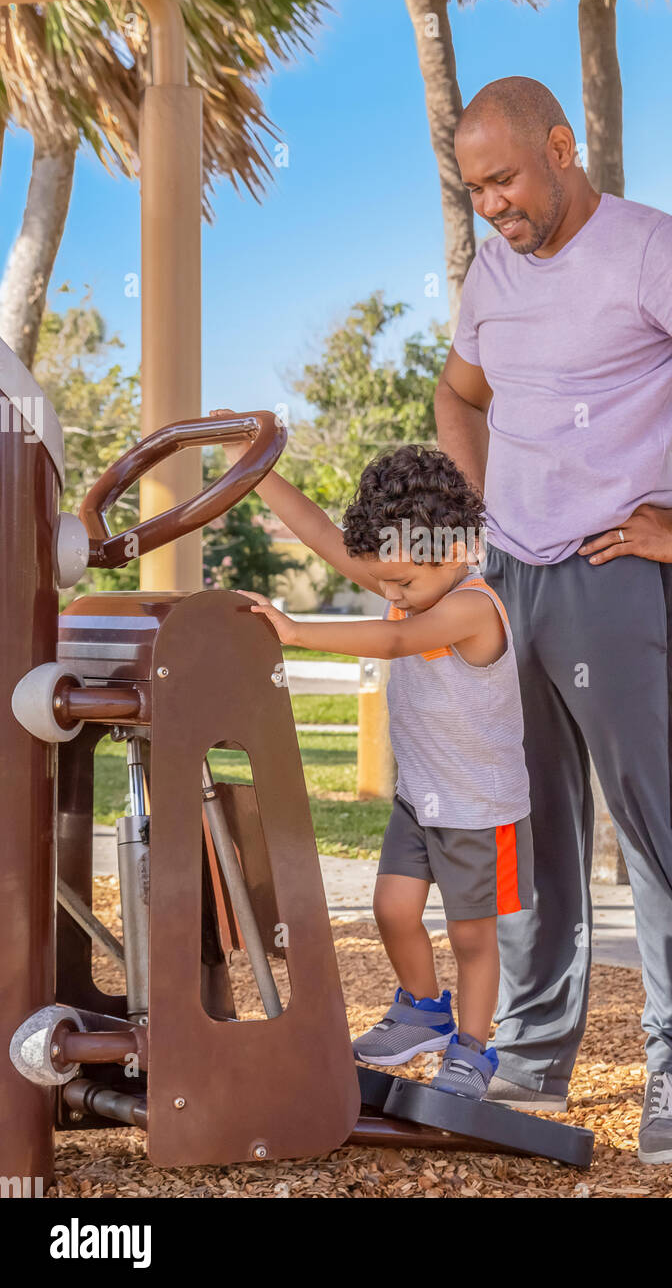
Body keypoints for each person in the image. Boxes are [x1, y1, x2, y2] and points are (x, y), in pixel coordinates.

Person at [435, 76, 672, 1162]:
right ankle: (533, 1054)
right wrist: (477, 522)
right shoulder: (490, 272)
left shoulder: (656, 249)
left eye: (503, 178)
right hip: (513, 578)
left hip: (611, 574)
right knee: (527, 820)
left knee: (652, 822)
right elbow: (457, 393)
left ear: (561, 146)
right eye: (474, 189)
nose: (492, 205)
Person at [210, 422, 533, 1101]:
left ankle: (474, 1053)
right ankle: (421, 1010)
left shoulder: (472, 607)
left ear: (454, 551)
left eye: (403, 583)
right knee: (392, 908)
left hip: (482, 810)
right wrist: (254, 470)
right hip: (422, 800)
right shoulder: (413, 574)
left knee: (474, 940)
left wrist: (297, 632)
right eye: (383, 581)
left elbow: (399, 642)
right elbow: (320, 536)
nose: (391, 597)